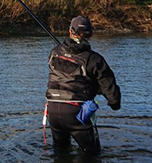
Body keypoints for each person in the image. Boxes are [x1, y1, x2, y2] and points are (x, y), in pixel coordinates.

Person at [46, 15, 121, 154]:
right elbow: (108, 85)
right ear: (91, 34)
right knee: (92, 155)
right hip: (76, 112)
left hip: (53, 109)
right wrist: (114, 104)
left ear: (70, 31)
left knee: (60, 152)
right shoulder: (94, 59)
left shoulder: (54, 53)